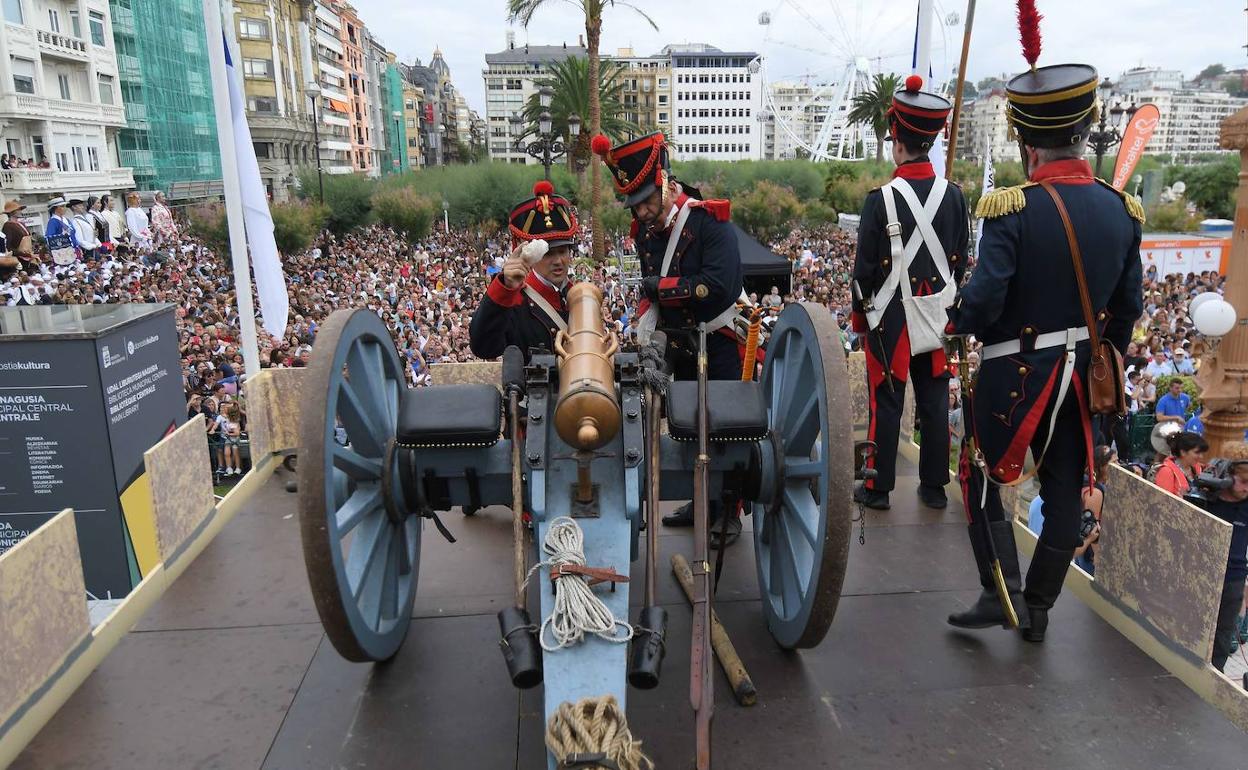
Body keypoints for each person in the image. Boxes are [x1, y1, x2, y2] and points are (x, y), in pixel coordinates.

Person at [945, 59, 1143, 642]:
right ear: (1085, 132)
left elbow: (985, 297)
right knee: (1063, 488)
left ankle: (998, 589)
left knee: (979, 472)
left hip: (1017, 371)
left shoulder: (1015, 207)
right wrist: (1099, 354)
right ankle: (1037, 608)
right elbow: (1127, 311)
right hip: (1083, 373)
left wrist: (958, 320)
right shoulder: (1121, 210)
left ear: (1028, 143)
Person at [593, 130, 746, 543]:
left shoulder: (708, 222)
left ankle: (727, 512)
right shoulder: (644, 232)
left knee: (722, 430)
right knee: (686, 427)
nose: (641, 212)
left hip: (716, 339)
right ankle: (701, 502)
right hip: (676, 342)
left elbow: (719, 287)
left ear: (664, 182)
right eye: (634, 204)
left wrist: (659, 289)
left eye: (645, 201)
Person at [850, 75, 967, 512]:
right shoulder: (955, 197)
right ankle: (934, 487)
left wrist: (862, 322)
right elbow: (960, 259)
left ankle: (878, 489)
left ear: (897, 138)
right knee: (936, 401)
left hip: (892, 317)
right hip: (938, 313)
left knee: (887, 399)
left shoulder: (879, 199)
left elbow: (864, 272)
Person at [468, 180, 577, 360]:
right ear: (528, 254)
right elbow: (484, 348)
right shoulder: (516, 301)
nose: (558, 261)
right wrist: (505, 287)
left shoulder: (578, 296)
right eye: (548, 253)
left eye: (563, 251)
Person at [1199, 443, 1248, 673]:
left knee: (1223, 635)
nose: (1247, 488)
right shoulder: (1207, 499)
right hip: (1203, 574)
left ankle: (1214, 676)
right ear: (1228, 475)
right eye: (1244, 481)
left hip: (1233, 579)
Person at [1153, 431, 1207, 498]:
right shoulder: (1166, 471)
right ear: (1183, 452)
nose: (1201, 456)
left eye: (1202, 453)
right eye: (1197, 453)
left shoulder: (1198, 468)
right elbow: (1162, 501)